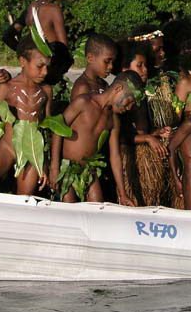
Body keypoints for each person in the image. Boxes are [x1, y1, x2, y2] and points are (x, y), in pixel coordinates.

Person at [0, 36, 54, 195]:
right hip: (7, 147)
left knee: (24, 197)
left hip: (31, 151)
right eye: (40, 66)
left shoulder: (46, 91)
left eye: (47, 67)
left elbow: (47, 127)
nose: (45, 72)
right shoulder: (6, 88)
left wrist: (44, 163)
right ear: (23, 61)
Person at [50, 70, 142, 205]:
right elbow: (58, 130)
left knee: (97, 207)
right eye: (128, 101)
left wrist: (123, 194)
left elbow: (115, 156)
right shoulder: (83, 102)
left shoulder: (114, 120)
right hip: (66, 166)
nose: (128, 108)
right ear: (118, 89)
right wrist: (54, 167)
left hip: (89, 170)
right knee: (68, 207)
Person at [116, 40, 169, 205]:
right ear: (125, 69)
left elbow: (140, 129)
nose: (145, 70)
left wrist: (154, 133)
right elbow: (121, 136)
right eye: (139, 65)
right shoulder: (121, 98)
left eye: (145, 65)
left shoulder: (141, 94)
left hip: (145, 156)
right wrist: (146, 138)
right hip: (129, 161)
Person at [2, 0, 73, 86]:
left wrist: (27, 53)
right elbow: (63, 48)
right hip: (49, 71)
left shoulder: (31, 9)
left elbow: (7, 36)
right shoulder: (53, 9)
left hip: (32, 69)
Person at [70, 33, 117, 98]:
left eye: (113, 62)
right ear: (90, 58)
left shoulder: (103, 84)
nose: (111, 66)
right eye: (106, 61)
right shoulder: (82, 88)